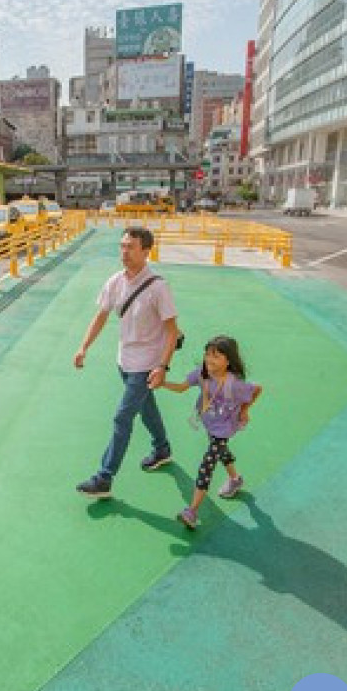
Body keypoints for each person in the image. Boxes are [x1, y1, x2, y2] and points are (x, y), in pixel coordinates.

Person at [74, 226, 181, 499]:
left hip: (147, 363)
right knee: (147, 409)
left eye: (130, 247)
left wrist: (163, 366)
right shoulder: (115, 282)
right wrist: (83, 347)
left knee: (123, 417)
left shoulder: (159, 287)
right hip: (124, 360)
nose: (124, 251)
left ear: (147, 250)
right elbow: (101, 317)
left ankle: (104, 478)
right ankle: (162, 449)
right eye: (122, 246)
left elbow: (172, 332)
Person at [161, 335, 262, 530]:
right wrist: (162, 383)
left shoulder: (234, 384)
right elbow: (182, 387)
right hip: (209, 422)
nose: (209, 359)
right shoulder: (202, 374)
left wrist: (244, 410)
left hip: (223, 429)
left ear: (228, 361)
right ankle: (235, 479)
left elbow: (257, 389)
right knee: (222, 452)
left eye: (216, 356)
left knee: (207, 464)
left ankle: (192, 511)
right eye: (208, 354)